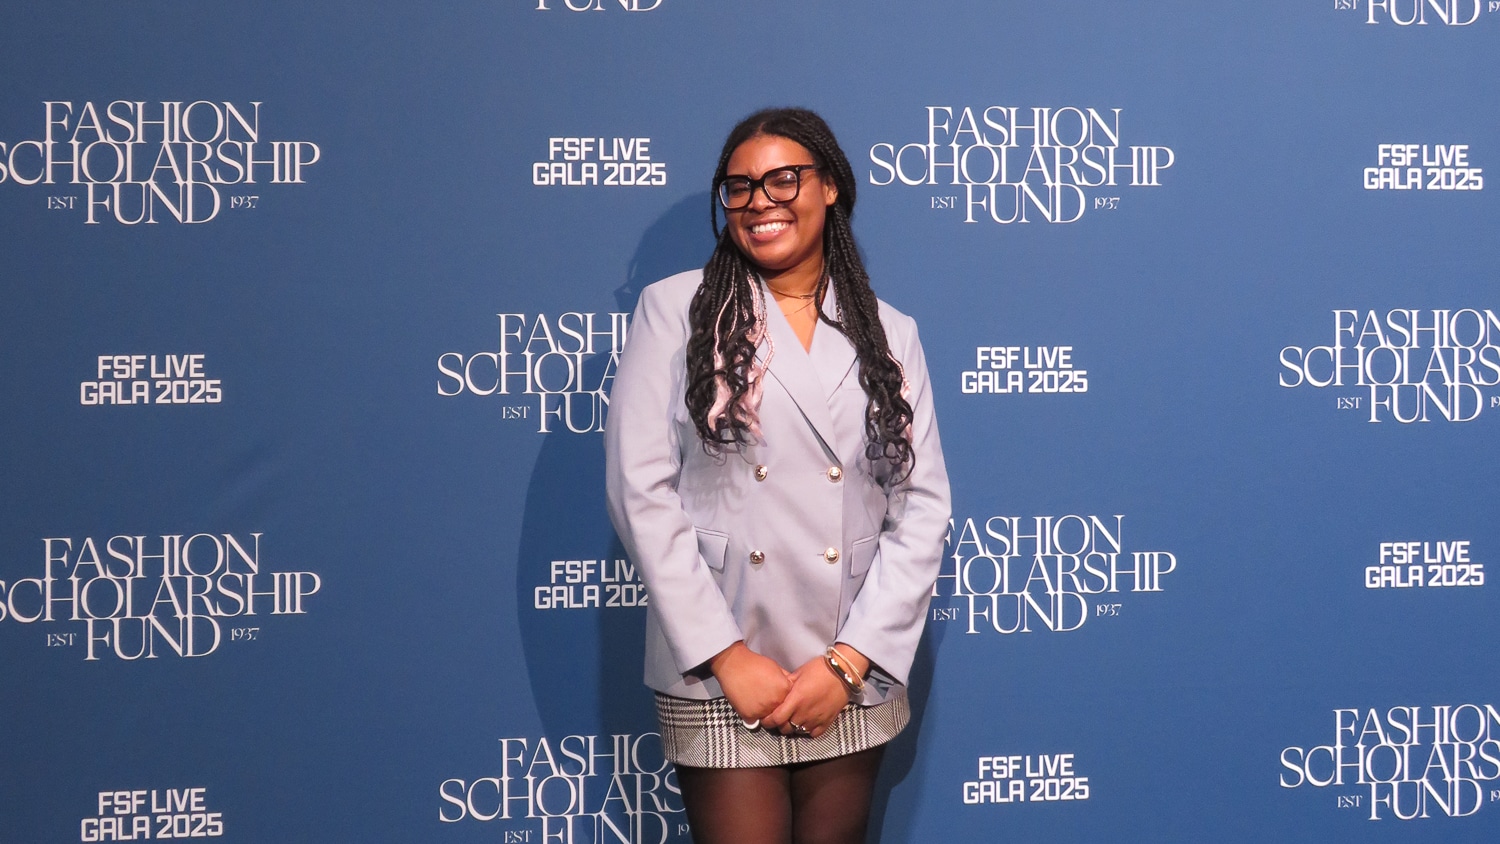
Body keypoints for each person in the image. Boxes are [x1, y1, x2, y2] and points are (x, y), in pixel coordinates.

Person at [605, 107, 950, 844]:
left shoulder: (891, 332)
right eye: (739, 187)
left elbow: (919, 504)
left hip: (848, 661)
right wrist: (727, 655)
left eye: (783, 179)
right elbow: (641, 492)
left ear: (830, 188)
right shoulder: (675, 311)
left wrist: (850, 661)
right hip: (719, 657)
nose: (759, 200)